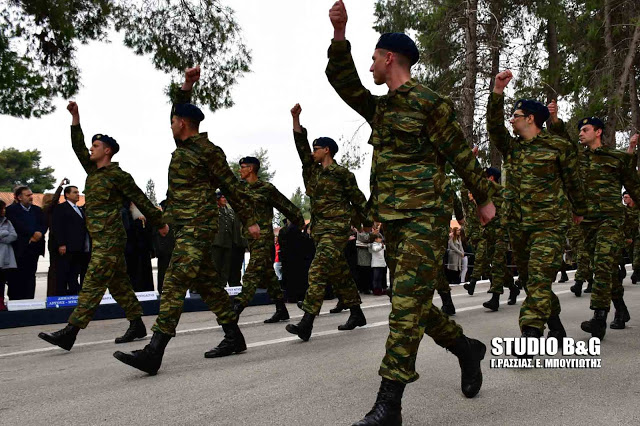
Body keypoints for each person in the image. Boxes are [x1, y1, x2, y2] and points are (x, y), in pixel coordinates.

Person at [326, 2, 496, 423]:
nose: (369, 67)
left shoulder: (428, 103)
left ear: (389, 59)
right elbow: (343, 82)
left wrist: (484, 198)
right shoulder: (381, 109)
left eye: (372, 58)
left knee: (403, 310)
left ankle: (389, 405)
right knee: (415, 304)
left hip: (425, 217)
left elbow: (459, 152)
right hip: (394, 220)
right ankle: (465, 348)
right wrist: (340, 32)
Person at [113, 66, 260, 376]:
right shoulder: (184, 147)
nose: (169, 125)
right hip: (185, 225)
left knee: (175, 280)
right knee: (208, 284)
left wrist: (250, 220)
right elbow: (177, 108)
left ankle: (154, 351)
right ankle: (234, 337)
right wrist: (186, 86)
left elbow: (232, 187)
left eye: (172, 121)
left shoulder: (208, 151)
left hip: (199, 226)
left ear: (181, 124)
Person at [38, 102, 166, 352]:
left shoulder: (119, 176)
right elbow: (77, 147)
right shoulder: (92, 172)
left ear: (107, 151)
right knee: (118, 283)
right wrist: (75, 119)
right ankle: (137, 323)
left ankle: (70, 332)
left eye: (95, 146)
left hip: (111, 238)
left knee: (93, 282)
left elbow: (141, 199)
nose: (90, 149)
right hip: (98, 237)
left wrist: (160, 223)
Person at [487, 71, 587, 345]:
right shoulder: (513, 148)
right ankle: (554, 322)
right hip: (518, 226)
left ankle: (530, 333)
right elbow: (495, 128)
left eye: (516, 116)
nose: (511, 120)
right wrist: (497, 91)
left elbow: (573, 182)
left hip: (549, 225)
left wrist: (579, 210)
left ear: (530, 118)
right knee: (532, 282)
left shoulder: (558, 146)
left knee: (540, 280)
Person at [548, 110, 639, 337]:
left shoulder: (617, 158)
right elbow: (564, 142)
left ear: (598, 132)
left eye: (585, 129)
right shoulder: (578, 157)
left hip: (611, 220)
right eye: (579, 130)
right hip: (587, 222)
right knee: (603, 270)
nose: (580, 133)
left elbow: (635, 187)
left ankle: (599, 318)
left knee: (602, 264)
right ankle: (620, 309)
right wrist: (556, 120)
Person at [286, 103, 370, 342]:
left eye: (316, 149)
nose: (312, 152)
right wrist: (295, 119)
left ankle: (306, 323)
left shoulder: (343, 174)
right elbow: (300, 146)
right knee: (340, 272)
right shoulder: (313, 172)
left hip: (337, 229)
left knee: (318, 270)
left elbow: (358, 198)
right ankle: (357, 313)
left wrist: (366, 222)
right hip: (321, 230)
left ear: (327, 150)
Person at [231, 156, 305, 323]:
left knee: (251, 273)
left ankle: (236, 309)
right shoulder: (238, 188)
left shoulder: (266, 188)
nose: (239, 170)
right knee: (268, 274)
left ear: (251, 169)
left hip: (263, 237)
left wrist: (300, 223)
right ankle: (281, 309)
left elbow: (285, 205)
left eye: (242, 167)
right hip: (249, 237)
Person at [479, 167, 519, 310]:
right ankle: (513, 288)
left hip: (501, 233)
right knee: (497, 265)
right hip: (489, 233)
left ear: (491, 178)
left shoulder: (502, 192)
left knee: (497, 263)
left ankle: (495, 298)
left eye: (486, 176)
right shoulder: (485, 193)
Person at [5, 186, 47, 300]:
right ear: (19, 197)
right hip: (19, 248)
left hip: (34, 248)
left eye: (31, 194)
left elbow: (43, 223)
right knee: (16, 277)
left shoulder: (37, 210)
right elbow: (17, 225)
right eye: (27, 195)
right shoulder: (11, 210)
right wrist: (32, 234)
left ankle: (29, 300)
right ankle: (16, 300)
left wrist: (39, 232)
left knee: (30, 276)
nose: (31, 197)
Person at [52, 185, 91, 296]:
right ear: (67, 194)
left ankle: (74, 294)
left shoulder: (79, 209)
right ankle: (62, 296)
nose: (77, 194)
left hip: (79, 248)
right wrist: (61, 244)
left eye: (78, 192)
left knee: (74, 273)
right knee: (64, 272)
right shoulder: (61, 208)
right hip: (67, 247)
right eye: (74, 192)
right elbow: (58, 227)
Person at [44, 178, 67, 296]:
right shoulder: (49, 210)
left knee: (61, 268)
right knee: (55, 268)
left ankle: (59, 291)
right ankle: (53, 293)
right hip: (54, 242)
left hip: (54, 240)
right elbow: (54, 202)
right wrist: (60, 187)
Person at [212, 192, 235, 287]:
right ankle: (215, 286)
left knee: (226, 265)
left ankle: (223, 284)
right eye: (222, 197)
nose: (225, 199)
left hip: (227, 241)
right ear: (218, 199)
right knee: (216, 265)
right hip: (217, 241)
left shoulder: (228, 211)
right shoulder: (214, 210)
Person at [0, 200, 18, 311]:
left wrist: (2, 235)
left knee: (2, 282)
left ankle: (1, 303)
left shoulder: (7, 222)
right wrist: (4, 233)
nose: (4, 210)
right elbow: (7, 234)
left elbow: (13, 236)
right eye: (2, 208)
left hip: (5, 257)